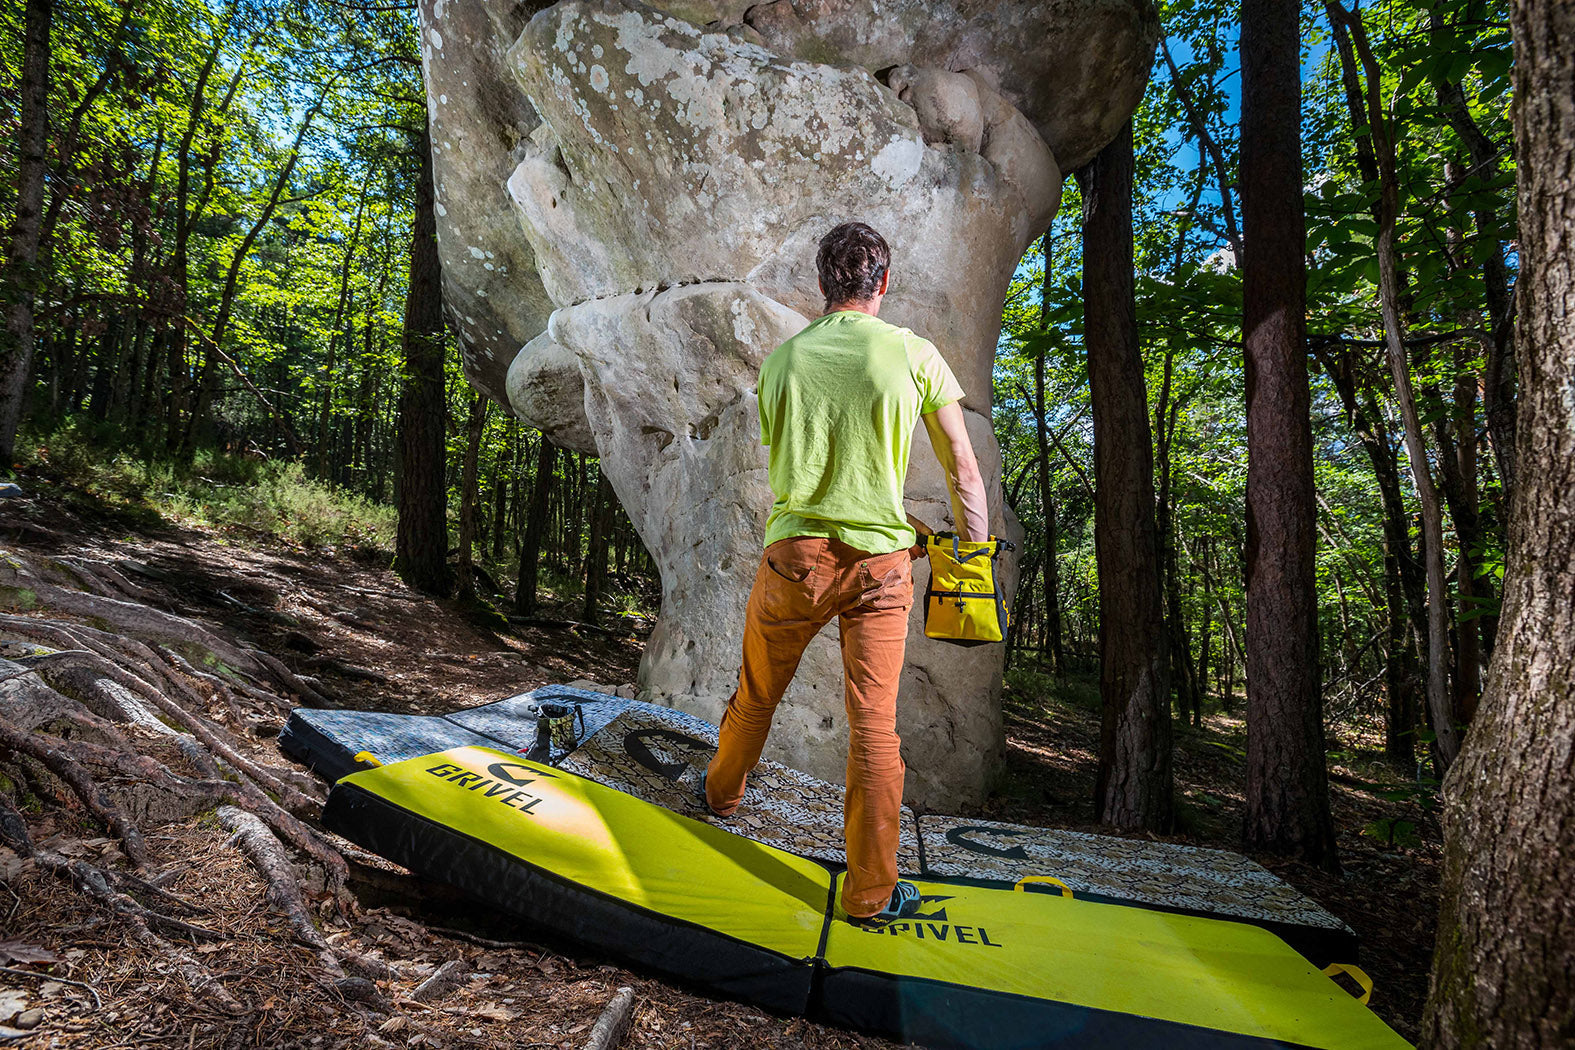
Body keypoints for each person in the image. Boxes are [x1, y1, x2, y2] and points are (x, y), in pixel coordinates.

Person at [702, 221, 990, 923]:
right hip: (883, 567)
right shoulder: (914, 353)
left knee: (756, 695)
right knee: (874, 728)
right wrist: (973, 562)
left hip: (795, 556)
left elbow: (791, 461)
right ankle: (870, 893)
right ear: (881, 282)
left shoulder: (784, 362)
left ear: (823, 283)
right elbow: (962, 470)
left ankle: (719, 798)